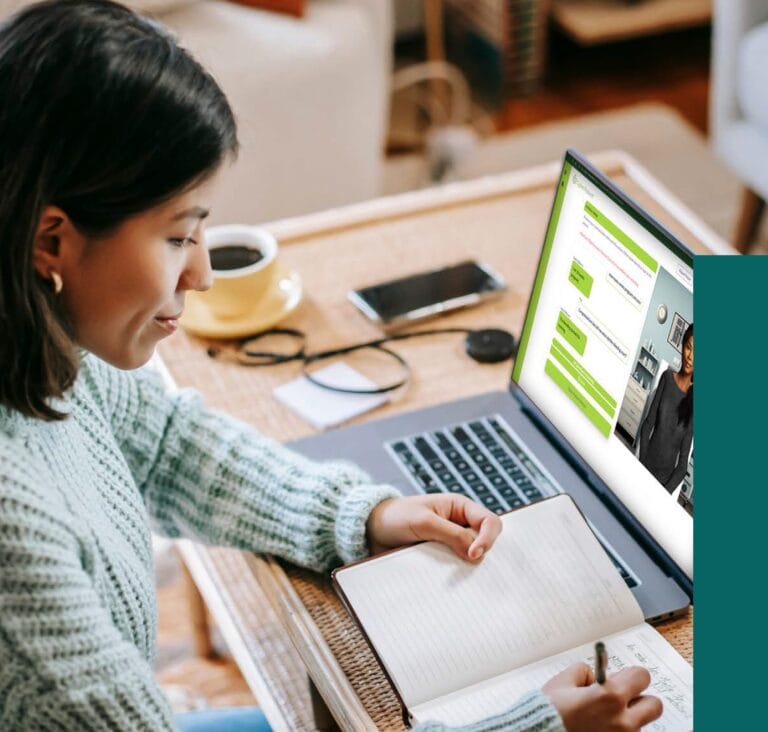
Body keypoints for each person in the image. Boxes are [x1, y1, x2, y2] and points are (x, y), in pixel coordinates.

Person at [0, 2, 663, 730]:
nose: (201, 276)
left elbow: (166, 448)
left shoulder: (44, 340)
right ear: (51, 241)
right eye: (176, 236)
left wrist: (362, 513)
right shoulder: (14, 536)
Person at [639, 324, 694, 494]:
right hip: (643, 469)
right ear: (682, 346)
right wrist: (641, 466)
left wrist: (664, 493)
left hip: (663, 485)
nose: (690, 356)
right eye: (688, 348)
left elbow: (683, 463)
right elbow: (648, 424)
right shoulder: (667, 378)